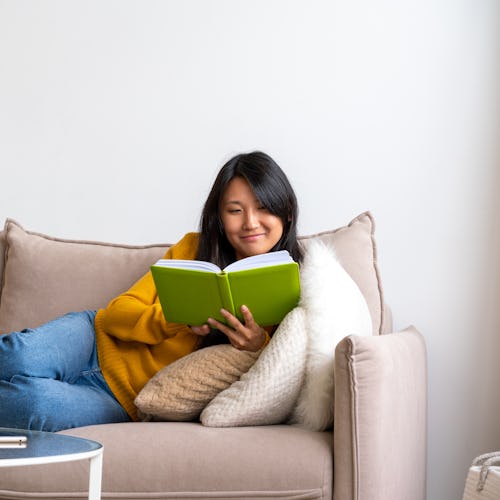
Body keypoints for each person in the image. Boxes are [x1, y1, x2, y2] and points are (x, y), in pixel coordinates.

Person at [0, 151, 303, 432]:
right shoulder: (193, 249)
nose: (250, 223)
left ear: (286, 212)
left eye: (263, 208)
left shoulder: (301, 287)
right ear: (220, 218)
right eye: (235, 210)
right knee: (20, 356)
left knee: (35, 403)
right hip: (93, 340)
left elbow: (276, 380)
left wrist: (257, 344)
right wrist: (177, 319)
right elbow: (117, 314)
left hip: (121, 400)